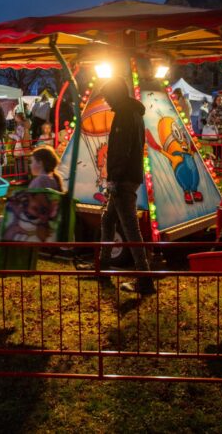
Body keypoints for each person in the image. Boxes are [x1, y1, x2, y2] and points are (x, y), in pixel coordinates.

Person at [96, 78, 154, 295]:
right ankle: (103, 266)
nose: (106, 100)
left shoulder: (124, 116)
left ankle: (145, 280)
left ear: (116, 94)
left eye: (108, 96)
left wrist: (113, 178)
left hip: (123, 179)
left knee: (131, 229)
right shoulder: (135, 114)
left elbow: (121, 151)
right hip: (130, 175)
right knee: (108, 219)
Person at [0, 145, 64, 242]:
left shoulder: (39, 181)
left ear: (40, 163)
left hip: (32, 226)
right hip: (50, 225)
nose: (30, 165)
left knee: (0, 220)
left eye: (32, 162)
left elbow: (27, 208)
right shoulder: (54, 180)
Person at [10, 111, 31, 176]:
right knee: (22, 161)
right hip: (23, 145)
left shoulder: (20, 126)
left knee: (20, 161)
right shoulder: (22, 125)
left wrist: (11, 135)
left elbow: (19, 137)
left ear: (18, 118)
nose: (14, 118)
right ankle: (23, 176)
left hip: (20, 145)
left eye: (15, 116)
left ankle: (21, 177)